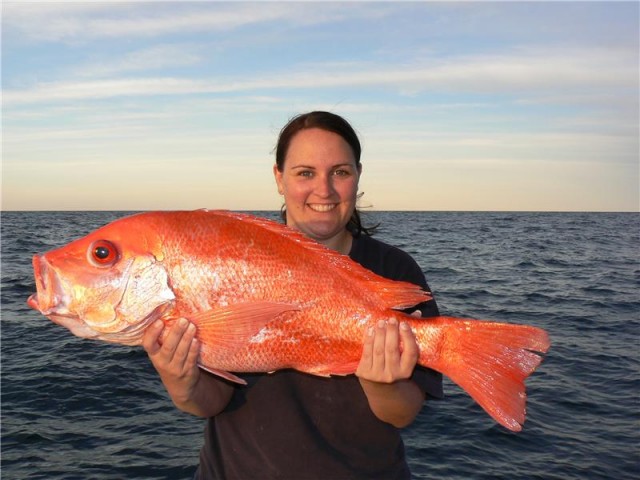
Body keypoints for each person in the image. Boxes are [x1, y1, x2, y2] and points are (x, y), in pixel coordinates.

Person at [142, 111, 443, 479]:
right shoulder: (235, 256)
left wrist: (384, 384)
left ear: (358, 176)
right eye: (305, 173)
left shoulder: (393, 269)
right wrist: (182, 383)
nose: (324, 190)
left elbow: (401, 413)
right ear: (278, 178)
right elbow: (213, 401)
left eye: (340, 172)